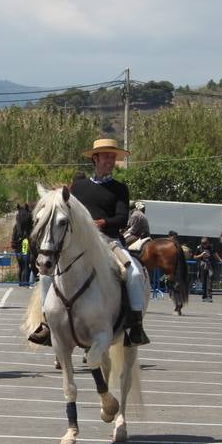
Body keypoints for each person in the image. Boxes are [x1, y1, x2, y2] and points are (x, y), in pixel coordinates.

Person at [64, 137, 150, 345]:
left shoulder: (120, 188)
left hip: (109, 241)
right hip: (79, 243)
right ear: (95, 158)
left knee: (135, 273)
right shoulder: (78, 187)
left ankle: (135, 324)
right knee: (49, 273)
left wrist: (102, 222)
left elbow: (122, 218)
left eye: (113, 157)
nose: (110, 160)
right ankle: (47, 322)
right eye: (106, 156)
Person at [194, 238, 222, 302]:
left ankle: (209, 297)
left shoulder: (211, 247)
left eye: (205, 243)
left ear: (208, 242)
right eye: (203, 243)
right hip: (202, 265)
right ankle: (204, 297)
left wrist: (220, 260)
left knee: (210, 281)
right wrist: (201, 255)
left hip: (210, 265)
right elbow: (195, 257)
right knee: (203, 281)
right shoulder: (199, 248)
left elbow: (215, 254)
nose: (204, 245)